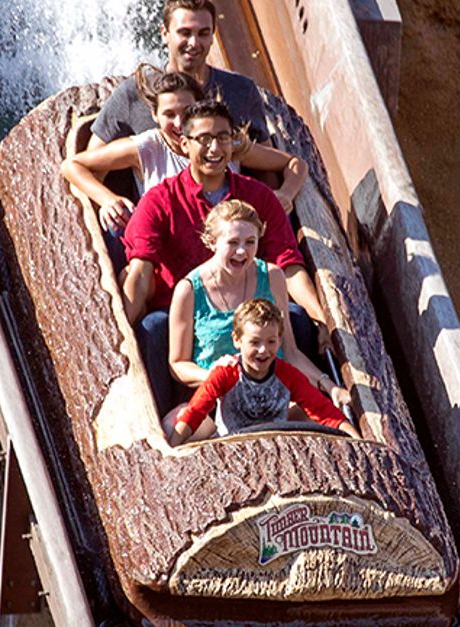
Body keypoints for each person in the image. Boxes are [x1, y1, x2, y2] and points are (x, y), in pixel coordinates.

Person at [123, 99, 332, 413]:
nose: (214, 148)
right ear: (184, 144)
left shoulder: (257, 196)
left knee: (298, 318)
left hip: (250, 306)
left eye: (223, 137)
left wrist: (323, 319)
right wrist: (120, 334)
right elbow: (139, 273)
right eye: (204, 139)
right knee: (152, 328)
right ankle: (162, 414)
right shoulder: (159, 200)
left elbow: (288, 266)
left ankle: (301, 405)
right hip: (183, 313)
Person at [165, 200, 348, 438]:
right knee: (173, 427)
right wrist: (214, 375)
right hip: (216, 401)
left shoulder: (272, 276)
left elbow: (290, 352)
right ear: (212, 241)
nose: (242, 251)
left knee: (328, 421)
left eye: (250, 242)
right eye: (233, 242)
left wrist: (329, 386)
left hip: (273, 398)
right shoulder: (189, 290)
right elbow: (177, 364)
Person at [61, 67, 308, 237]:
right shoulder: (147, 146)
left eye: (186, 112)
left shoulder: (223, 145)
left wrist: (285, 193)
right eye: (169, 114)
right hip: (169, 248)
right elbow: (72, 165)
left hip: (229, 245)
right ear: (155, 115)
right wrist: (107, 199)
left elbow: (295, 164)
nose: (179, 123)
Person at [167, 298, 361, 446]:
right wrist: (173, 446)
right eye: (254, 342)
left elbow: (323, 411)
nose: (263, 350)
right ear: (237, 340)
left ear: (279, 341)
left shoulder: (287, 375)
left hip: (278, 446)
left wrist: (357, 441)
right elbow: (195, 411)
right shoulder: (225, 374)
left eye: (271, 342)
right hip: (233, 446)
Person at [89, 0, 270, 152]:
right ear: (164, 34)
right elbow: (89, 161)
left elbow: (269, 167)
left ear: (212, 36)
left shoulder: (241, 90)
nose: (194, 43)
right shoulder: (135, 92)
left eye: (203, 33)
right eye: (185, 33)